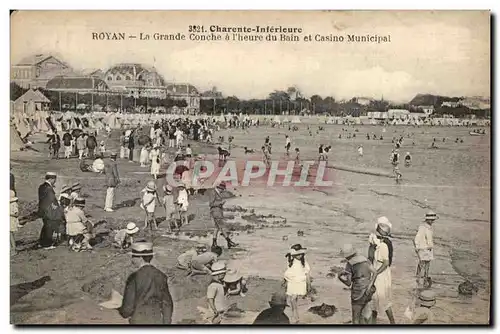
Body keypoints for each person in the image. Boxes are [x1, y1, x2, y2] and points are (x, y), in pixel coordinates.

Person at [117, 242, 174, 324]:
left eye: (133, 256)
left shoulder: (134, 277)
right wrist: (166, 322)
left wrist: (120, 310)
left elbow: (127, 310)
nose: (132, 259)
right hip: (157, 320)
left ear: (139, 258)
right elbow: (167, 303)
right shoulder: (161, 276)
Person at [338, 244, 378, 324]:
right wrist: (370, 285)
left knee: (355, 318)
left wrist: (339, 277)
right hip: (368, 290)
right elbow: (375, 273)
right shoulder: (365, 259)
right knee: (366, 314)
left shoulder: (350, 264)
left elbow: (349, 283)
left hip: (358, 292)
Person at [368, 217, 395, 324]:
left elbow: (386, 263)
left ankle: (392, 323)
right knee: (374, 301)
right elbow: (370, 257)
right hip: (377, 271)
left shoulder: (383, 246)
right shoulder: (378, 245)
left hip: (381, 274)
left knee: (382, 299)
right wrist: (371, 246)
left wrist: (375, 273)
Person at [283, 244, 311, 323]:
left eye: (301, 254)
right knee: (293, 300)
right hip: (292, 282)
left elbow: (307, 274)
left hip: (300, 283)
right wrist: (285, 282)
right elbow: (289, 272)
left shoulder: (304, 262)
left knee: (293, 299)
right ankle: (295, 314)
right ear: (294, 255)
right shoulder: (291, 262)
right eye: (297, 254)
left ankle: (295, 315)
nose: (300, 256)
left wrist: (309, 285)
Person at [38, 172, 63, 249]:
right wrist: (57, 208)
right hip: (49, 211)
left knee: (45, 226)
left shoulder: (41, 186)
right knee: (49, 227)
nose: (55, 181)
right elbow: (52, 200)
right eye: (55, 179)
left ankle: (42, 242)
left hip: (43, 209)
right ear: (51, 179)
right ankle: (47, 244)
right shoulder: (48, 188)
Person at [208, 182, 238, 249]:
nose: (223, 190)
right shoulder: (213, 192)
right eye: (222, 189)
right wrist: (220, 203)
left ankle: (214, 243)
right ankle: (229, 242)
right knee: (222, 227)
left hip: (216, 212)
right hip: (216, 212)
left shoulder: (216, 193)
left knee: (216, 228)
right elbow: (211, 203)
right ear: (219, 188)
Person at [414, 211, 437, 288]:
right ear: (427, 219)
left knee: (427, 263)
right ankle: (418, 277)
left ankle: (426, 276)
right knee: (422, 262)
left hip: (428, 248)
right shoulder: (422, 227)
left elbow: (429, 238)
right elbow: (417, 237)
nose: (432, 222)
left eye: (433, 220)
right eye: (431, 220)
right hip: (423, 248)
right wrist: (417, 246)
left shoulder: (429, 227)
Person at [11, 190, 19, 256]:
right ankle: (11, 249)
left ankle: (14, 249)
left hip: (11, 221)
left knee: (10, 235)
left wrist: (9, 214)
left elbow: (16, 214)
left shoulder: (14, 204)